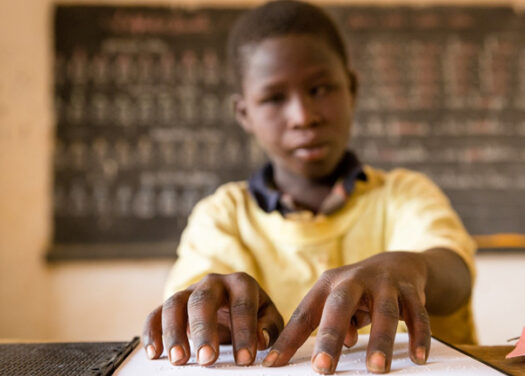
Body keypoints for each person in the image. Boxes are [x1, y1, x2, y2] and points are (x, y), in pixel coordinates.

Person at [142, 0, 477, 374]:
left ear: (351, 88)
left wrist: (412, 267)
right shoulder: (222, 216)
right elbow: (196, 312)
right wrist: (214, 318)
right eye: (274, 98)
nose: (303, 117)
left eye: (320, 89)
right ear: (244, 114)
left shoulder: (404, 193)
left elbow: (456, 276)